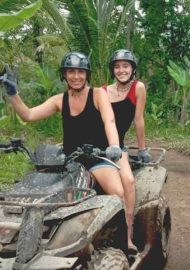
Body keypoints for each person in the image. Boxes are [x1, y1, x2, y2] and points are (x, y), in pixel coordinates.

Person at [0, 52, 127, 232]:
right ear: (64, 75)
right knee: (41, 193)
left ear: (86, 74)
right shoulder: (60, 100)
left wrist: (113, 146)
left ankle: (123, 238)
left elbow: (110, 122)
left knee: (117, 193)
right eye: (71, 72)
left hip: (97, 157)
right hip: (68, 161)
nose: (76, 76)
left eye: (80, 72)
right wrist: (13, 93)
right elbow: (28, 115)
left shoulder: (98, 94)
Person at [105, 49, 151, 254]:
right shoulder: (103, 90)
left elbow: (138, 119)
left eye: (125, 66)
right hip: (98, 144)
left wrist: (141, 149)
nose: (121, 70)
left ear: (132, 69)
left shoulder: (138, 88)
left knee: (129, 182)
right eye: (117, 66)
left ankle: (128, 236)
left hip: (119, 147)